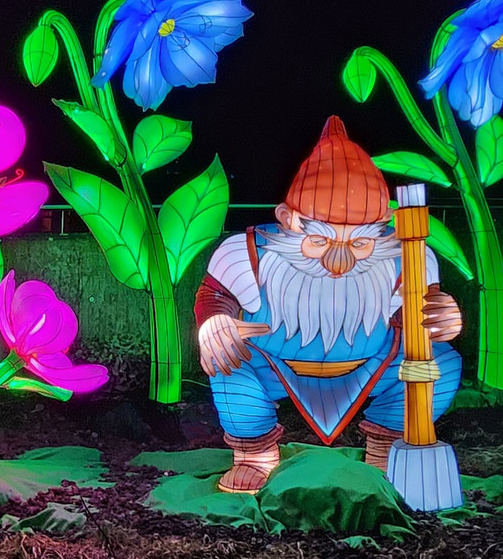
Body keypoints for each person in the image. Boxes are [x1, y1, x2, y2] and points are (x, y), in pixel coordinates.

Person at [194, 116, 462, 494]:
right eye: (319, 241)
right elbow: (214, 298)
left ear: (382, 227)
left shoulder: (407, 258)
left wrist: (441, 318)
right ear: (288, 219)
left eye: (360, 243)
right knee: (226, 356)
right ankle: (254, 456)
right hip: (273, 365)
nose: (340, 261)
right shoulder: (246, 254)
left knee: (443, 363)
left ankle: (385, 450)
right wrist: (214, 324)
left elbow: (416, 320)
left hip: (370, 365)